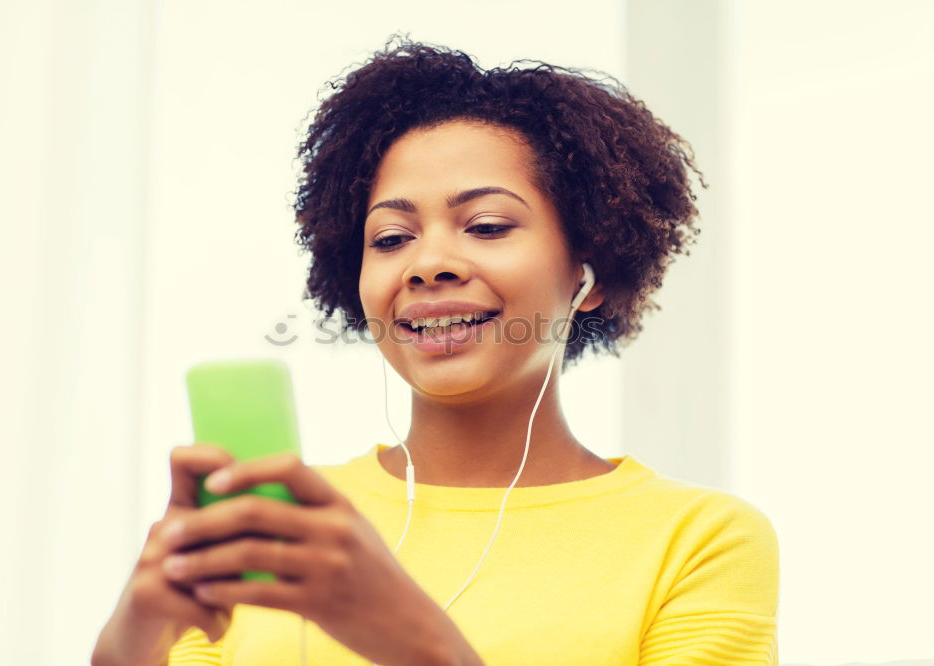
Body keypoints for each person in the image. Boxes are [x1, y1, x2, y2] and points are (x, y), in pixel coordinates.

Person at [92, 35, 779, 666]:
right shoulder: (286, 529)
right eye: (391, 239)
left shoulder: (696, 539)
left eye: (485, 225)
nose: (428, 265)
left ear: (588, 274)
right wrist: (135, 631)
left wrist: (404, 633)